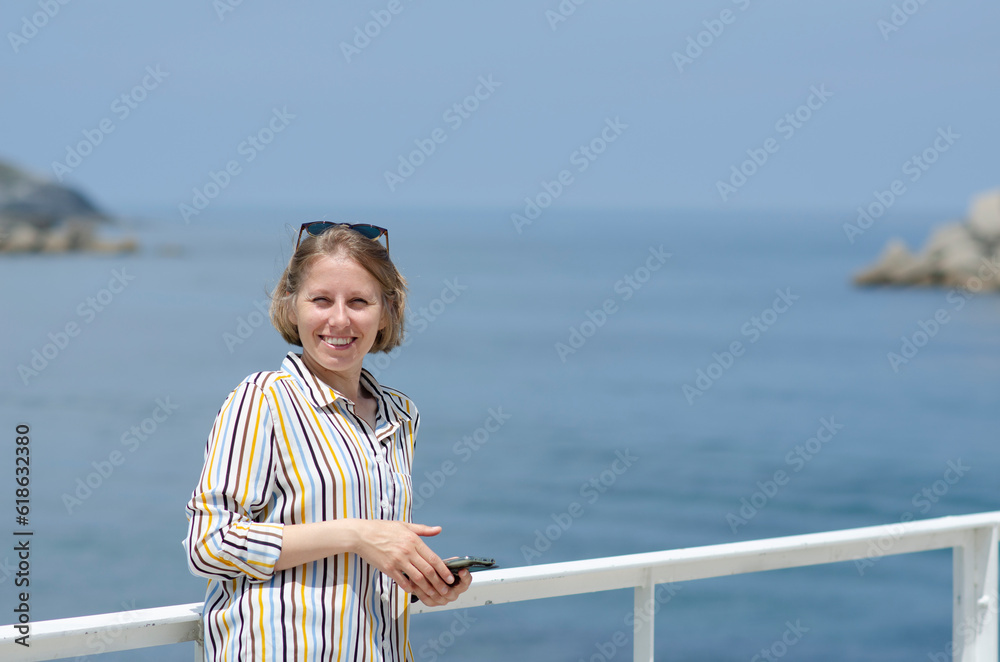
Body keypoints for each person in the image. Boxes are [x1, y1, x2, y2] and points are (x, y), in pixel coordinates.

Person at [183, 222, 472, 661]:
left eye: (359, 301)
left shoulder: (400, 414)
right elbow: (209, 544)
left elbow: (360, 564)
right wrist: (355, 534)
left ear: (386, 311)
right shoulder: (263, 399)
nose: (339, 319)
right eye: (321, 300)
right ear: (291, 306)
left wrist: (421, 579)